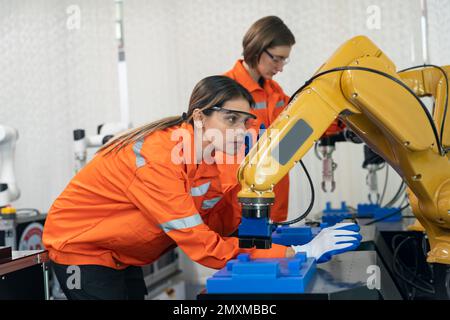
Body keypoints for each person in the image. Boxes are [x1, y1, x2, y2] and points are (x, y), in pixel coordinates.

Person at [42, 76, 295, 300]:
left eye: (245, 121)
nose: (241, 131)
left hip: (120, 254)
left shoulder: (205, 160)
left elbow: (216, 224)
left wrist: (251, 182)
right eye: (231, 119)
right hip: (80, 250)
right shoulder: (158, 159)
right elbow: (202, 244)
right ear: (199, 117)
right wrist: (282, 253)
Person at [218, 16, 295, 223]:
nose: (280, 67)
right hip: (241, 206)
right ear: (257, 48)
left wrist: (341, 120)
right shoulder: (225, 90)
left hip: (275, 202)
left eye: (284, 60)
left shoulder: (274, 91)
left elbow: (299, 125)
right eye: (276, 59)